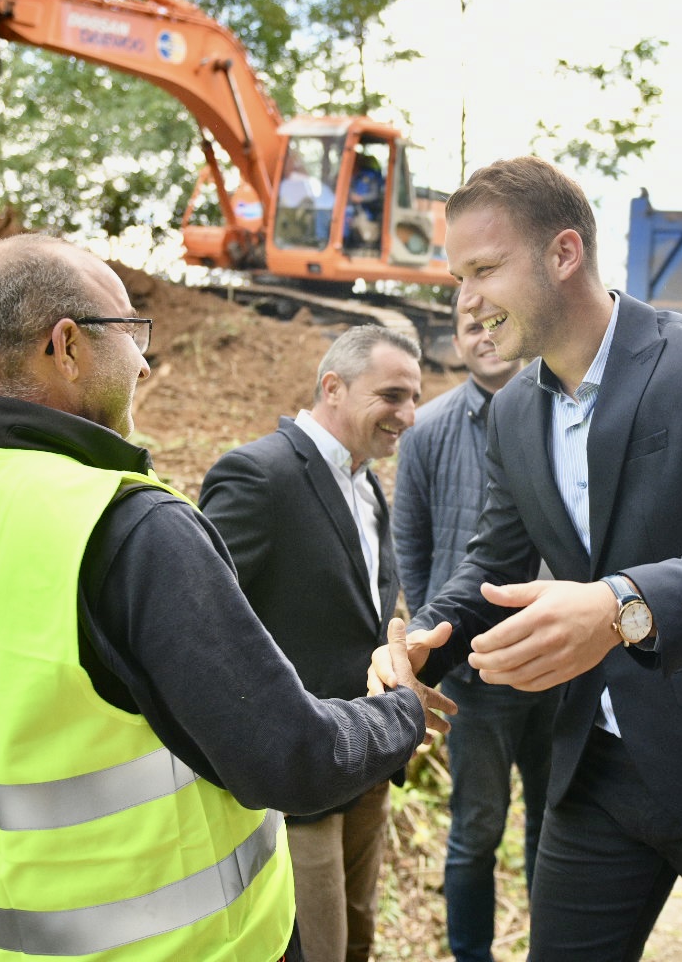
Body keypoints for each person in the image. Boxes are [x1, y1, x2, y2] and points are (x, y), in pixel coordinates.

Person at [0, 234, 449, 961]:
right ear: (66, 347)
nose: (145, 360)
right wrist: (403, 712)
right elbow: (288, 757)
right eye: (130, 331)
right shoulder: (130, 528)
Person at [372, 155, 682, 962]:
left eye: (485, 269)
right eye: (458, 277)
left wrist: (621, 601)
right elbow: (491, 561)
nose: (468, 302)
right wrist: (429, 643)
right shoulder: (513, 410)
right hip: (595, 772)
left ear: (564, 254)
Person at [200, 323, 427, 962]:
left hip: (369, 763)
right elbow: (210, 629)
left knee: (357, 934)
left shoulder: (367, 482)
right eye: (391, 395)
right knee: (313, 947)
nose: (407, 415)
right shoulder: (257, 475)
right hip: (300, 780)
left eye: (413, 397)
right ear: (333, 386)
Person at [393, 299, 555, 962]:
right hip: (475, 673)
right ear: (454, 341)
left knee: (557, 822)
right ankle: (472, 954)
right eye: (470, 328)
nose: (485, 338)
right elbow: (413, 542)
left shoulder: (559, 415)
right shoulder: (428, 429)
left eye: (496, 323)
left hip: (557, 658)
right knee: (475, 828)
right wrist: (436, 638)